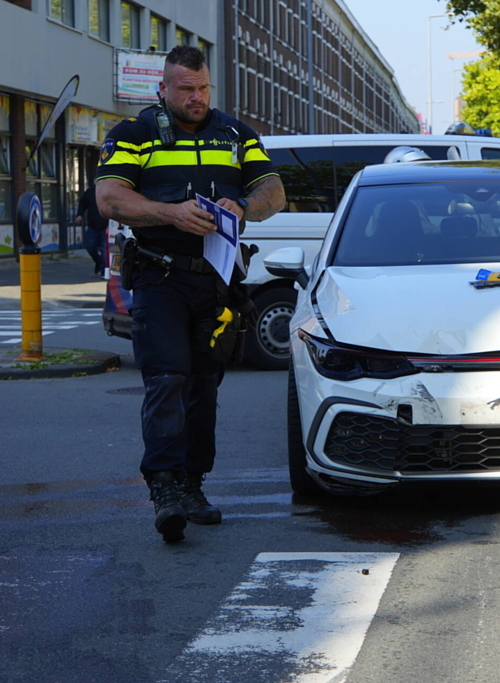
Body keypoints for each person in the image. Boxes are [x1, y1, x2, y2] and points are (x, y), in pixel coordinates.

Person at [95, 45, 286, 543]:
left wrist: (242, 205)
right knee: (167, 380)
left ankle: (193, 484)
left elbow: (275, 194)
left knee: (205, 385)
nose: (196, 97)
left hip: (217, 280)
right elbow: (110, 198)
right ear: (163, 88)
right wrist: (171, 213)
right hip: (160, 277)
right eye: (185, 89)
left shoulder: (237, 134)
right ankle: (163, 489)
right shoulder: (133, 134)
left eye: (203, 88)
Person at [75, 181, 108, 277]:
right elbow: (83, 203)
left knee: (104, 250)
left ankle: (103, 272)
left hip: (105, 226)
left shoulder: (108, 192)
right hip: (92, 226)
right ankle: (98, 262)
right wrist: (79, 214)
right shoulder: (90, 192)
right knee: (90, 247)